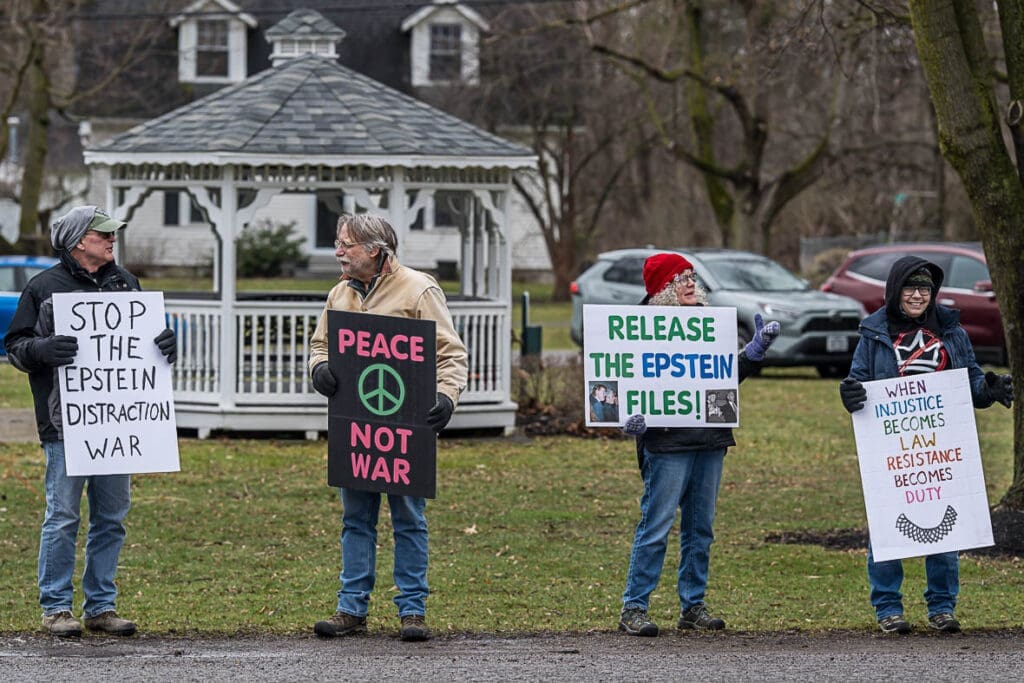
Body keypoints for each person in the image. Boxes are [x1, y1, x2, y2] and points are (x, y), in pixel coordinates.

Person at [5, 206, 177, 638]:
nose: (111, 239)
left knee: (112, 516)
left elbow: (143, 346)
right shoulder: (43, 288)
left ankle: (101, 606)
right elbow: (16, 347)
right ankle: (56, 607)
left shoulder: (126, 283)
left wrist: (164, 343)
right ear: (79, 239)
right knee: (62, 515)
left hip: (117, 424)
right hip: (66, 424)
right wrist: (43, 349)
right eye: (103, 233)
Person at [307, 213, 468, 642]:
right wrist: (319, 366)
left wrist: (447, 396)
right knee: (355, 519)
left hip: (406, 427)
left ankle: (412, 610)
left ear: (375, 250)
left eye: (346, 245)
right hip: (355, 427)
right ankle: (351, 608)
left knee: (408, 519)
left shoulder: (419, 290)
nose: (338, 251)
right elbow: (320, 343)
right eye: (337, 243)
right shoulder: (339, 294)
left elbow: (450, 353)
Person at [839, 255, 1013, 635]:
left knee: (945, 527)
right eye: (910, 288)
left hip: (941, 443)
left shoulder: (952, 331)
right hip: (892, 447)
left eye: (925, 289)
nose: (918, 295)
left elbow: (969, 387)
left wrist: (990, 389)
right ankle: (888, 608)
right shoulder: (874, 333)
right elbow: (857, 382)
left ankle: (942, 607)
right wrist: (850, 394)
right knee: (887, 528)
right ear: (895, 291)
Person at [617, 253, 780, 637]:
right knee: (656, 525)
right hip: (667, 442)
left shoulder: (711, 326)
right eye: (679, 279)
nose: (690, 284)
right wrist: (627, 416)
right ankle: (634, 606)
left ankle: (693, 604)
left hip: (709, 439)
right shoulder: (638, 330)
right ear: (661, 291)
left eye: (691, 276)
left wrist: (752, 353)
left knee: (700, 528)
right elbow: (621, 377)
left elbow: (722, 380)